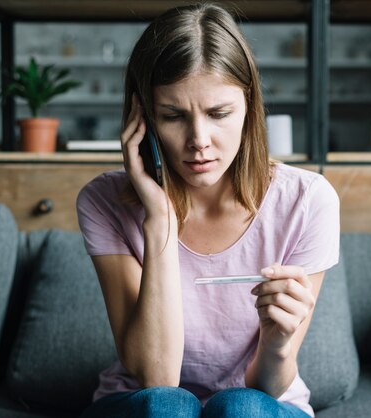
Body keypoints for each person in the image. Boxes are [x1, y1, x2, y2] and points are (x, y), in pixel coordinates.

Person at [76, 3, 339, 418]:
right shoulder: (103, 202)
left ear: (249, 106)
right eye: (173, 116)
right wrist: (159, 217)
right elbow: (156, 377)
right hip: (144, 404)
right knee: (167, 406)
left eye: (219, 114)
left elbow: (268, 386)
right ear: (140, 117)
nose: (199, 140)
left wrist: (278, 342)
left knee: (243, 408)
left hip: (261, 403)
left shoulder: (307, 201)